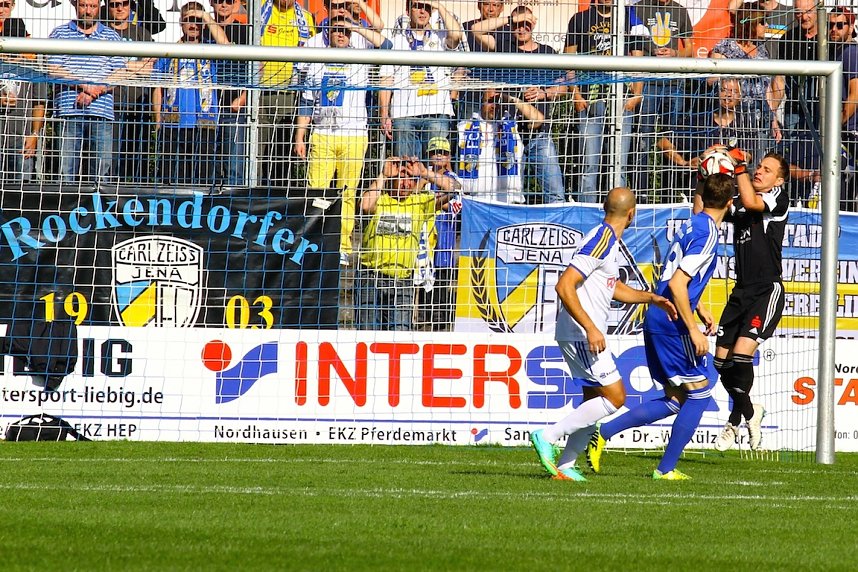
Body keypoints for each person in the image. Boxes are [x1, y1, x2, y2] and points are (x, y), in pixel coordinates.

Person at [585, 173, 735, 480]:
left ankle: (604, 432)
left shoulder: (692, 223)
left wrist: (701, 309)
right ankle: (665, 469)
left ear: (701, 198)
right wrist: (693, 328)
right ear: (731, 204)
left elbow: (673, 279)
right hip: (672, 322)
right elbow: (679, 284)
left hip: (658, 315)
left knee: (676, 398)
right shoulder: (708, 233)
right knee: (701, 391)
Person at [530, 187, 677, 481]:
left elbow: (613, 287)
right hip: (581, 334)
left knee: (593, 401)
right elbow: (565, 285)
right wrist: (591, 327)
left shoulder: (607, 240)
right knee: (615, 396)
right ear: (632, 214)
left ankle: (566, 466)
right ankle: (547, 436)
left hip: (579, 333)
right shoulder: (602, 239)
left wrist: (650, 298)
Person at [709, 151, 790, 452]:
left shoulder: (776, 200)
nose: (759, 172)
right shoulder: (740, 202)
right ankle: (748, 412)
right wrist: (706, 174)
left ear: (778, 180)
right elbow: (705, 209)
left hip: (765, 291)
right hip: (740, 292)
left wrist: (739, 167)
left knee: (741, 357)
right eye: (759, 167)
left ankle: (735, 420)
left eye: (767, 170)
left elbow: (756, 203)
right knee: (721, 362)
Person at [294, 16, 389, 267]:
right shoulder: (316, 58)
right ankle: (314, 243)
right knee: (316, 192)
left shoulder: (361, 54)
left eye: (345, 31)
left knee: (348, 194)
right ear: (328, 32)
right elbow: (306, 101)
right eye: (336, 30)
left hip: (354, 135)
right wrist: (300, 136)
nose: (341, 34)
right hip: (323, 134)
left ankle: (343, 246)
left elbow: (387, 45)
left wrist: (356, 26)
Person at [471, 5, 567, 204]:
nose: (521, 29)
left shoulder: (547, 53)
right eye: (517, 25)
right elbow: (475, 30)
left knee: (555, 193)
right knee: (509, 197)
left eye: (526, 24)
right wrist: (510, 19)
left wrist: (544, 93)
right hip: (508, 135)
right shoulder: (503, 48)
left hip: (539, 134)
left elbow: (564, 88)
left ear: (533, 25)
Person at [356, 155, 449, 331]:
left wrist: (424, 172)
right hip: (370, 276)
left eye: (411, 180)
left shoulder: (421, 202)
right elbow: (365, 206)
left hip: (402, 279)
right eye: (401, 178)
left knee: (400, 336)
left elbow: (454, 190)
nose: (406, 184)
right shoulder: (381, 199)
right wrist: (383, 175)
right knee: (366, 334)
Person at [564, 0, 643, 203]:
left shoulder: (631, 19)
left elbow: (638, 59)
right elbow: (568, 60)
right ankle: (587, 211)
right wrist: (575, 94)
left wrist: (636, 94)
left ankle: (619, 210)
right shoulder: (580, 19)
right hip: (590, 99)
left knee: (620, 163)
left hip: (621, 99)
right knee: (589, 164)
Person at [47, 0, 127, 184]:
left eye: (93, 6)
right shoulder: (60, 33)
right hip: (68, 111)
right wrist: (84, 85)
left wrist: (94, 92)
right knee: (65, 171)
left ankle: (98, 211)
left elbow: (120, 73)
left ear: (99, 6)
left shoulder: (111, 36)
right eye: (84, 5)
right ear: (76, 5)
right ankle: (65, 211)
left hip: (101, 112)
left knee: (101, 171)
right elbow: (54, 69)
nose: (88, 11)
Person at [152, 2, 230, 186]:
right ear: (181, 23)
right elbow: (157, 88)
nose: (193, 25)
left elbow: (226, 45)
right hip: (172, 124)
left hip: (205, 124)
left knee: (202, 180)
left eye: (197, 21)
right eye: (189, 20)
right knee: (171, 180)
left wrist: (206, 16)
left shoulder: (212, 50)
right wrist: (157, 121)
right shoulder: (169, 51)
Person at [379, 0, 462, 160]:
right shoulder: (396, 41)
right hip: (404, 115)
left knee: (436, 168)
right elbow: (386, 78)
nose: (423, 12)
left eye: (427, 8)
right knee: (406, 170)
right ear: (407, 10)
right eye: (417, 6)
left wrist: (439, 6)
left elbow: (457, 35)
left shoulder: (441, 38)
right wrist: (384, 114)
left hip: (437, 113)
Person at [633, 0, 694, 197]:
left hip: (673, 83)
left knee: (672, 139)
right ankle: (640, 193)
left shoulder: (680, 10)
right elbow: (634, 48)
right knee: (643, 138)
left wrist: (675, 53)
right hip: (648, 81)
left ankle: (670, 193)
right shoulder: (640, 7)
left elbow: (690, 49)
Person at [258, 0, 316, 185]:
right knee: (256, 153)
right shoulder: (260, 10)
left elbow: (311, 57)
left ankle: (280, 199)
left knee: (282, 155)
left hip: (290, 95)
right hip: (260, 94)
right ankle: (255, 198)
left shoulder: (305, 18)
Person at [104, 0, 155, 183]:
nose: (119, 8)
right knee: (111, 160)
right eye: (114, 4)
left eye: (124, 3)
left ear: (131, 6)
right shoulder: (102, 33)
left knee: (136, 160)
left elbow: (149, 69)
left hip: (138, 106)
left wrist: (117, 65)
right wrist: (135, 66)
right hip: (110, 105)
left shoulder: (142, 34)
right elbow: (101, 67)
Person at [415, 137, 462, 331]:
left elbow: (454, 206)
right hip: (424, 246)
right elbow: (414, 199)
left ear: (449, 156)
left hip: (444, 243)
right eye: (434, 152)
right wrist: (425, 179)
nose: (438, 156)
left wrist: (433, 202)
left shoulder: (454, 178)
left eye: (442, 152)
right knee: (425, 293)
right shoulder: (421, 179)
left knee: (442, 293)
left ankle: (442, 326)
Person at [0, 0, 45, 184]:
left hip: (22, 140)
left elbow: (39, 102)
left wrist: (35, 135)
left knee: (20, 193)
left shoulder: (31, 64)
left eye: (17, 38)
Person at [210, 0, 250, 186]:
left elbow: (259, 67)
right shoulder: (203, 31)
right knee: (207, 167)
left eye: (229, 1)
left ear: (236, 3)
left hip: (233, 109)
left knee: (234, 169)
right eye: (218, 1)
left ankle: (234, 212)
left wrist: (243, 97)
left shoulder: (244, 32)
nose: (223, 5)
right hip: (206, 110)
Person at [829, 7, 858, 211]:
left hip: (851, 131)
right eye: (830, 25)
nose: (834, 29)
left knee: (848, 194)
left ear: (851, 26)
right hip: (848, 130)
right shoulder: (839, 51)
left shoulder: (851, 52)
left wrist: (836, 124)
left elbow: (855, 94)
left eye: (840, 25)